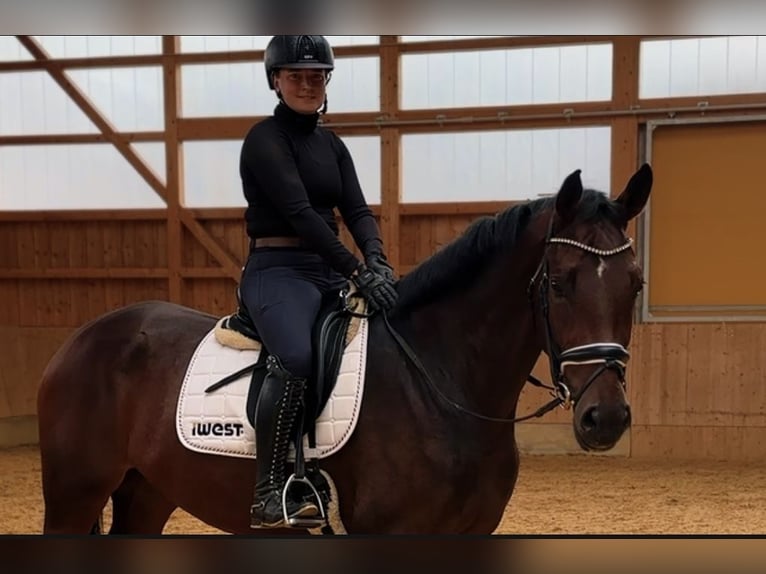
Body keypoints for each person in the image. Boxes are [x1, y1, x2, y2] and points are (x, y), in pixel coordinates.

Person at [235, 35, 398, 529]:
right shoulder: (264, 140)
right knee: (299, 357)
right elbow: (302, 214)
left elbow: (357, 210)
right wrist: (357, 271)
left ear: (326, 83)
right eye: (296, 76)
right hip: (277, 272)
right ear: (275, 81)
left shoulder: (332, 144)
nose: (307, 84)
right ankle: (268, 491)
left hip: (328, 271)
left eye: (316, 76)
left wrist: (377, 258)